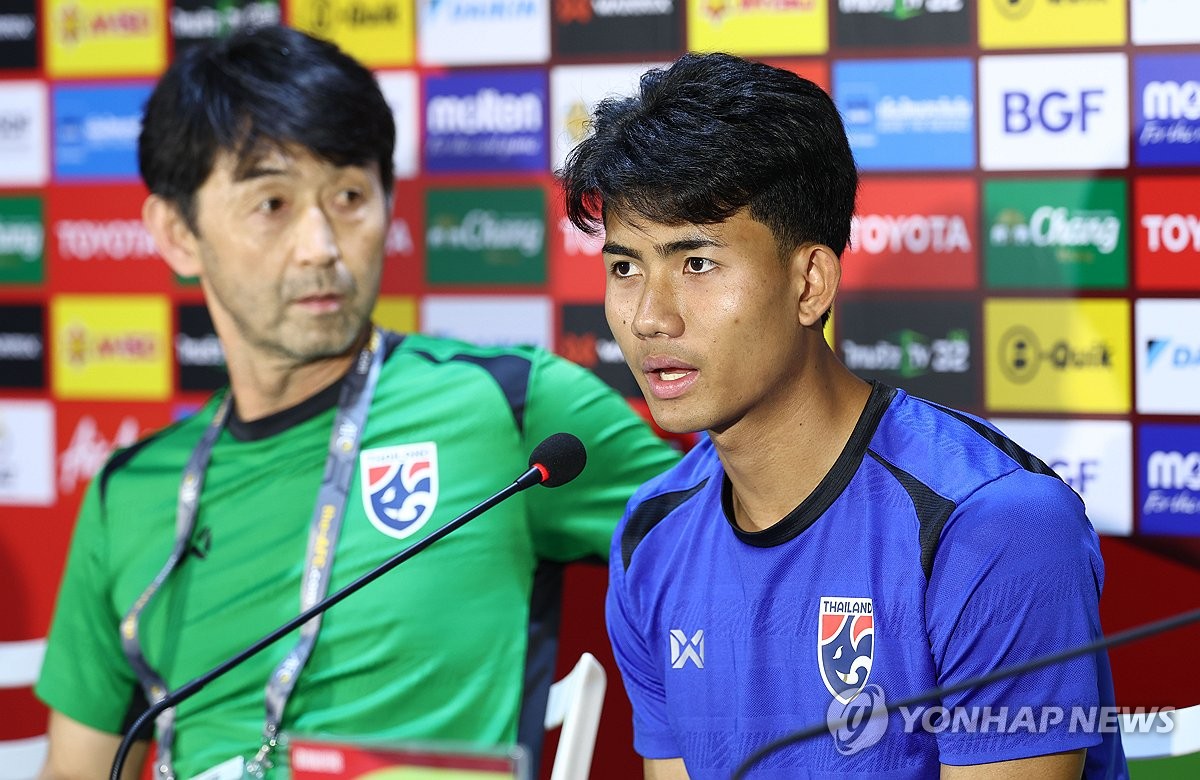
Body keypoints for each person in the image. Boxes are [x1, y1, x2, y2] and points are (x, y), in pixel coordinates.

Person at [35, 25, 679, 779]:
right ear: (177, 232)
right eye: (271, 202)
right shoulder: (130, 493)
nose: (320, 246)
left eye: (347, 196)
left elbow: (738, 551)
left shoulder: (507, 406)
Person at [559, 53, 1127, 779]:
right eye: (624, 267)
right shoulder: (651, 536)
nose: (647, 317)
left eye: (695, 264)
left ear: (810, 283)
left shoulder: (993, 525)